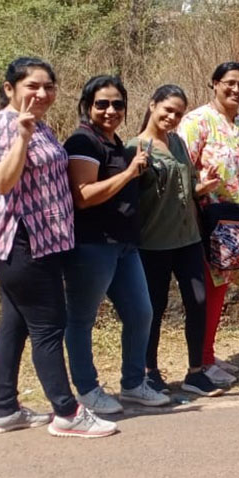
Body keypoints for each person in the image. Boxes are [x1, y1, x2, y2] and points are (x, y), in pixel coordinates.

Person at [0, 57, 116, 438]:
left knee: (16, 323)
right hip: (20, 241)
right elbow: (2, 183)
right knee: (49, 326)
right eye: (32, 86)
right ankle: (67, 412)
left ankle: (3, 408)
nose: (41, 93)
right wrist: (21, 136)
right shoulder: (3, 126)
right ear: (10, 89)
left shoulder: (42, 127)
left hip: (41, 241)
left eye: (48, 87)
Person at [62, 76, 170, 413]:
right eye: (102, 103)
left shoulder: (113, 141)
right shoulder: (83, 141)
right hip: (93, 245)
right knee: (81, 319)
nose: (111, 110)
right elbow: (82, 196)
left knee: (141, 313)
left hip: (124, 245)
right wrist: (128, 174)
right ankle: (88, 388)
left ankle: (133, 384)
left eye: (117, 104)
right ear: (88, 105)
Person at [178, 61, 239, 387]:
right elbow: (180, 172)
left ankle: (208, 353)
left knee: (220, 289)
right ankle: (200, 361)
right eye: (229, 83)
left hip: (235, 223)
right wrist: (198, 187)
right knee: (206, 290)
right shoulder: (196, 122)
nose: (235, 90)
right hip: (203, 220)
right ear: (214, 83)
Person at [129, 84, 223, 398]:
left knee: (198, 302)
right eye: (167, 109)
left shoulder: (179, 144)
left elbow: (185, 189)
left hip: (187, 239)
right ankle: (149, 371)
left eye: (178, 113)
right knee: (152, 310)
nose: (171, 117)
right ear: (152, 105)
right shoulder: (136, 148)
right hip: (153, 243)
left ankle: (195, 373)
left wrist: (204, 186)